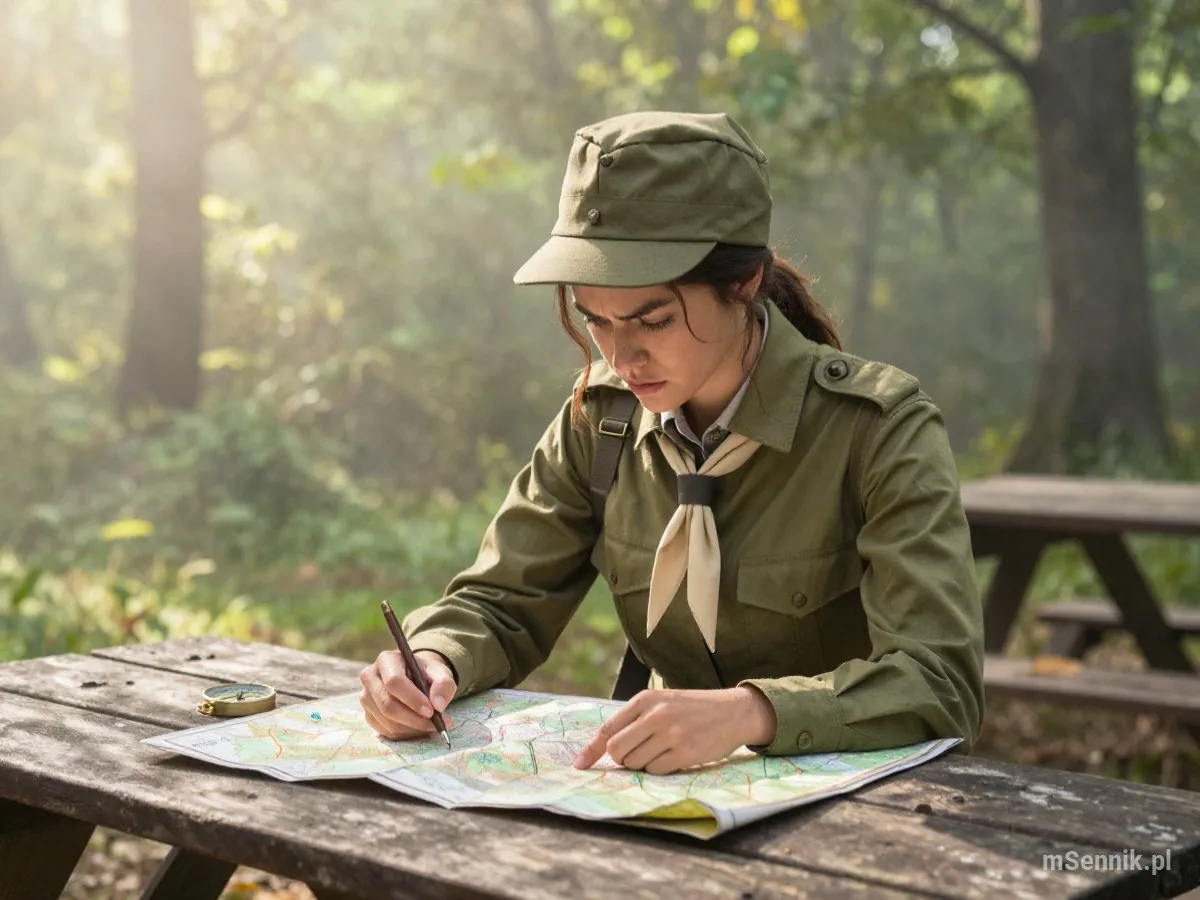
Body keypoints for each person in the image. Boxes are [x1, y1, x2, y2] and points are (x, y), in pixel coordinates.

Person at [358, 111, 985, 775]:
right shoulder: (600, 422)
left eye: (652, 318)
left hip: (860, 820)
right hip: (660, 802)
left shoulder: (878, 431)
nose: (621, 354)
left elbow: (938, 679)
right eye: (595, 320)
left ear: (743, 281)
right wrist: (433, 659)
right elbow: (500, 600)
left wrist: (752, 713)